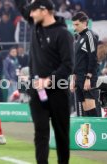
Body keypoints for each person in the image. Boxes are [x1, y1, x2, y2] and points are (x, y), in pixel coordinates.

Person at [15, 0, 74, 163]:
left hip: (58, 92)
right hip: (37, 92)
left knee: (61, 134)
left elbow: (68, 65)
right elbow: (21, 7)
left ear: (44, 11)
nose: (30, 15)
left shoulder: (63, 34)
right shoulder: (36, 26)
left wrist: (49, 80)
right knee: (40, 133)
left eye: (33, 11)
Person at [70, 12, 99, 117]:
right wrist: (73, 78)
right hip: (79, 77)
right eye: (73, 25)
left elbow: (93, 58)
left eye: (77, 25)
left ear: (84, 23)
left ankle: (97, 132)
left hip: (87, 77)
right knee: (85, 110)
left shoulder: (89, 36)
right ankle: (87, 133)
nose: (74, 27)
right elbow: (76, 60)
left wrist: (88, 78)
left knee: (90, 108)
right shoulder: (79, 37)